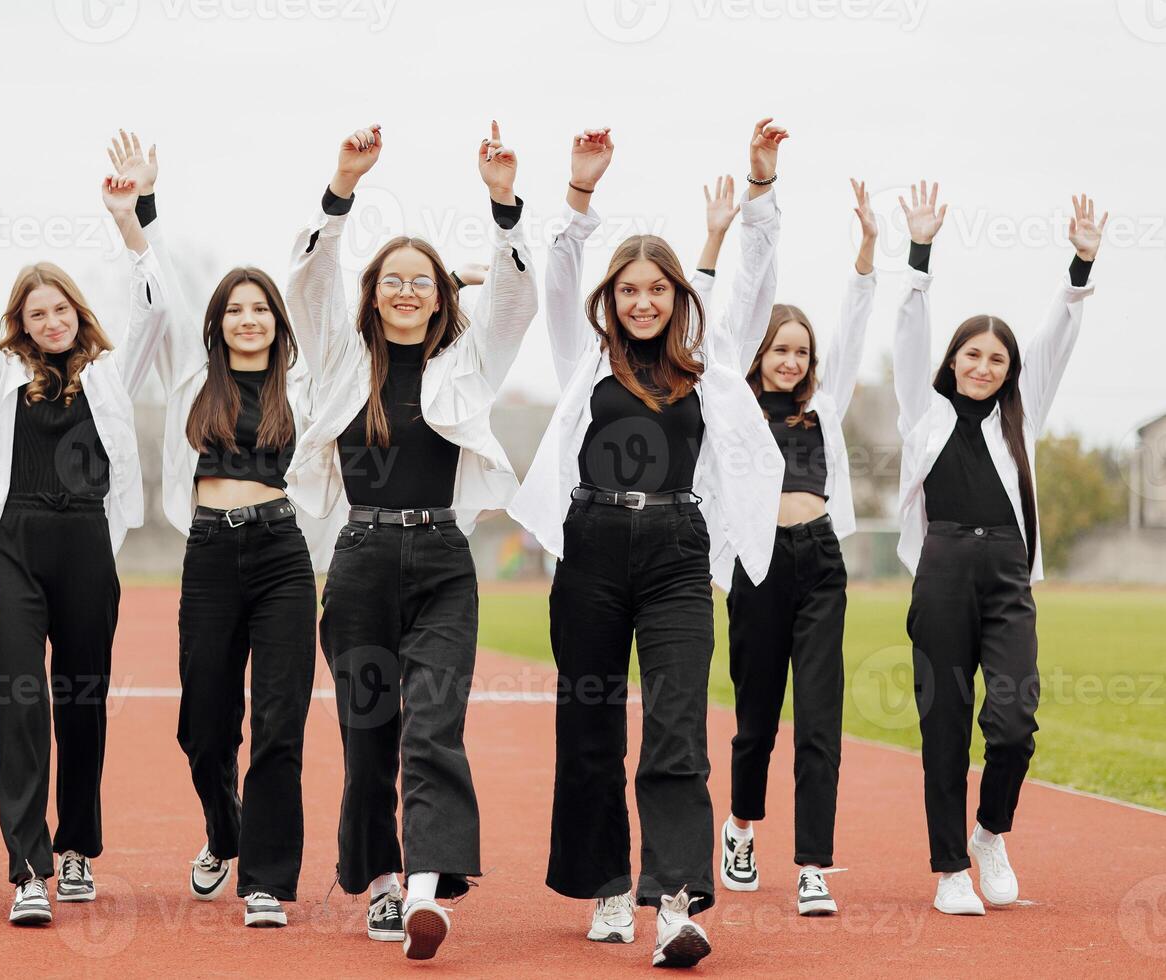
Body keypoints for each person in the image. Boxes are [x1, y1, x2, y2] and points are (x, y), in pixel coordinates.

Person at [507, 119, 787, 968]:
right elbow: (556, 277)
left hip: (675, 549)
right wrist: (580, 193)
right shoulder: (583, 360)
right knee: (590, 722)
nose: (642, 302)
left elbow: (756, 282)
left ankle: (672, 901)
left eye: (656, 290)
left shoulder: (711, 361)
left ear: (675, 297)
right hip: (590, 547)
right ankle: (603, 885)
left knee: (676, 726)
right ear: (611, 299)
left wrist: (763, 194)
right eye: (628, 290)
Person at [284, 121, 537, 960]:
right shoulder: (336, 358)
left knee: (433, 724)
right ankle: (383, 883)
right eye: (391, 279)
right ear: (374, 293)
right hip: (358, 564)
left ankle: (428, 889)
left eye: (419, 281)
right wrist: (341, 187)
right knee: (369, 739)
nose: (404, 291)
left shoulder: (467, 365)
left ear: (438, 295)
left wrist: (503, 204)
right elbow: (309, 279)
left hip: (441, 565)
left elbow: (515, 301)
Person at [0, 166, 166, 925]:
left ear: (76, 313)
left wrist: (130, 222)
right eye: (36, 312)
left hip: (88, 544)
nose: (50, 321)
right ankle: (28, 867)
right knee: (22, 700)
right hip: (16, 547)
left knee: (81, 700)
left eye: (60, 308)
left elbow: (156, 307)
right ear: (21, 324)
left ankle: (75, 851)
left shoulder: (111, 372)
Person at [107, 131, 319, 929]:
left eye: (261, 308)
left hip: (282, 555)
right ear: (219, 324)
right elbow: (156, 289)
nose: (249, 319)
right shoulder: (190, 376)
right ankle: (224, 830)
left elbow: (328, 283)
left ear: (277, 322)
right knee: (204, 724)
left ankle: (265, 878)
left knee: (280, 720)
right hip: (209, 552)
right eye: (235, 310)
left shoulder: (306, 383)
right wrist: (139, 213)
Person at [892, 182, 1104, 915]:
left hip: (1008, 573)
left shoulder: (1024, 414)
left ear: (1010, 370)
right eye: (971, 356)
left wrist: (1078, 267)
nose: (983, 367)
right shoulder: (921, 410)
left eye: (996, 359)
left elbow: (1055, 337)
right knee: (944, 721)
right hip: (943, 570)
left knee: (1014, 721)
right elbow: (908, 330)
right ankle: (950, 869)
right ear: (952, 361)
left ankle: (990, 832)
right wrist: (919, 254)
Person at [715, 178, 880, 916]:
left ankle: (814, 864)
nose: (791, 361)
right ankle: (742, 826)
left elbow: (853, 326)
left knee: (820, 717)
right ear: (759, 353)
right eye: (780, 348)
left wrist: (869, 256)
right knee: (757, 718)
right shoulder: (736, 407)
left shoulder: (825, 406)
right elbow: (721, 334)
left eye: (800, 352)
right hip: (758, 564)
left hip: (820, 562)